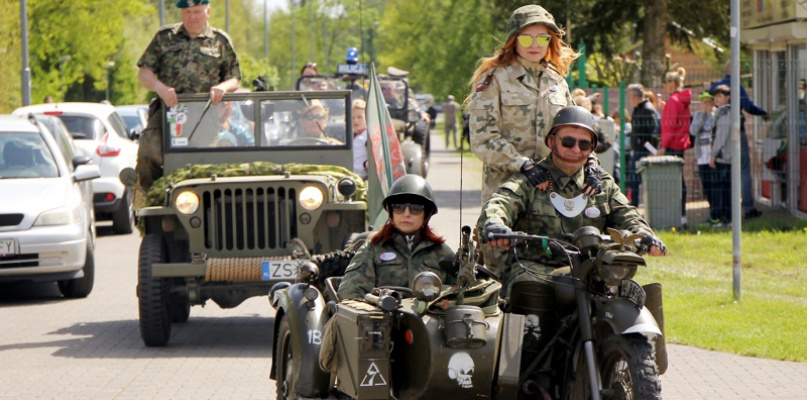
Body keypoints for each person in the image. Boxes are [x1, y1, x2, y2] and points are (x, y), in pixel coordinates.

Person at [477, 105, 666, 294]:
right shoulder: (531, 180)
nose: (576, 150)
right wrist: (495, 225)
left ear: (592, 148)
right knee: (529, 289)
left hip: (592, 269)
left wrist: (644, 235)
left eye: (584, 144)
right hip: (537, 269)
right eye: (568, 142)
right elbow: (501, 203)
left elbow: (627, 214)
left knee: (633, 297)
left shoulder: (601, 184)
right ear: (551, 142)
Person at [467, 5, 602, 203]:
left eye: (542, 38)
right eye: (525, 38)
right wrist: (522, 165)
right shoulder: (493, 80)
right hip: (506, 194)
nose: (534, 44)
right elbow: (482, 138)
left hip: (554, 194)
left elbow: (577, 131)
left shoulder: (557, 82)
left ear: (550, 41)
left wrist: (591, 161)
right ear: (514, 41)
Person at [135, 0, 241, 191]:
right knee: (148, 153)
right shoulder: (165, 36)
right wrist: (160, 87)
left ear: (207, 12)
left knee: (203, 164)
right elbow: (144, 72)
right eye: (187, 12)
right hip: (169, 111)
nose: (191, 17)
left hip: (204, 114)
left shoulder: (220, 40)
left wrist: (222, 88)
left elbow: (234, 78)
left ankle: (200, 208)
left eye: (197, 12)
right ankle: (151, 201)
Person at [337, 174, 456, 300]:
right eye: (399, 207)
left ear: (426, 214)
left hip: (431, 318)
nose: (406, 214)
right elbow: (349, 292)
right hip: (383, 316)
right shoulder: (373, 248)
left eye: (416, 208)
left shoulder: (441, 252)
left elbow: (462, 295)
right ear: (391, 212)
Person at [709, 61, 767, 219]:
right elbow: (748, 107)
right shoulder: (737, 86)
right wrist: (764, 113)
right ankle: (747, 207)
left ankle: (720, 211)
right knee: (744, 169)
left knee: (722, 175)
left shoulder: (715, 86)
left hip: (718, 134)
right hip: (736, 132)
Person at [658, 67, 691, 226]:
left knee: (674, 182)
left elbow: (670, 126)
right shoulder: (680, 100)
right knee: (678, 180)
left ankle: (676, 216)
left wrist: (663, 146)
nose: (663, 85)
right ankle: (681, 216)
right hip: (680, 144)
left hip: (672, 145)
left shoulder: (673, 101)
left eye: (665, 82)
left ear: (672, 83)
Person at [626, 83, 659, 207]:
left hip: (644, 151)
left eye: (630, 97)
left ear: (635, 96)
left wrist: (652, 150)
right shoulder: (638, 109)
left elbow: (654, 132)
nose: (629, 100)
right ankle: (633, 204)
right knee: (633, 180)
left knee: (635, 179)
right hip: (638, 149)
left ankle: (635, 205)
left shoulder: (647, 109)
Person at [690, 91, 719, 224]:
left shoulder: (717, 114)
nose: (706, 105)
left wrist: (710, 113)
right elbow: (693, 131)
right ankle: (712, 211)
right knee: (706, 186)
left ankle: (716, 213)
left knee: (715, 186)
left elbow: (715, 128)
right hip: (702, 156)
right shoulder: (698, 115)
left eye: (708, 102)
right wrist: (702, 115)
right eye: (703, 102)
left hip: (713, 156)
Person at [709, 85, 733, 224]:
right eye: (715, 96)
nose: (716, 99)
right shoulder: (721, 112)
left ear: (727, 97)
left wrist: (713, 154)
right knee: (725, 189)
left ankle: (724, 218)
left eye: (720, 96)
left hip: (723, 158)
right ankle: (726, 218)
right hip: (725, 157)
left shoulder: (725, 114)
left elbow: (721, 137)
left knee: (722, 190)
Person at [351, 99, 368, 179]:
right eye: (352, 118)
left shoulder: (368, 137)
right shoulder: (352, 136)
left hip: (362, 177)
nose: (356, 120)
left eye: (359, 117)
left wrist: (366, 164)